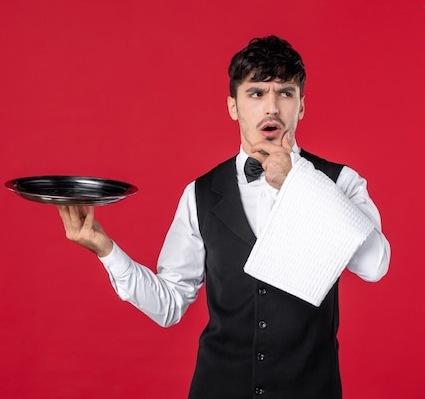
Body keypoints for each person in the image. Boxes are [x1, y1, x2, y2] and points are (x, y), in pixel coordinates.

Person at [57, 35, 390, 399]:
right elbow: (169, 304)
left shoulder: (340, 182)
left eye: (285, 93)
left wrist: (300, 182)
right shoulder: (199, 193)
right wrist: (107, 251)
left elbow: (374, 265)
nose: (272, 108)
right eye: (256, 93)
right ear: (233, 106)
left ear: (302, 105)